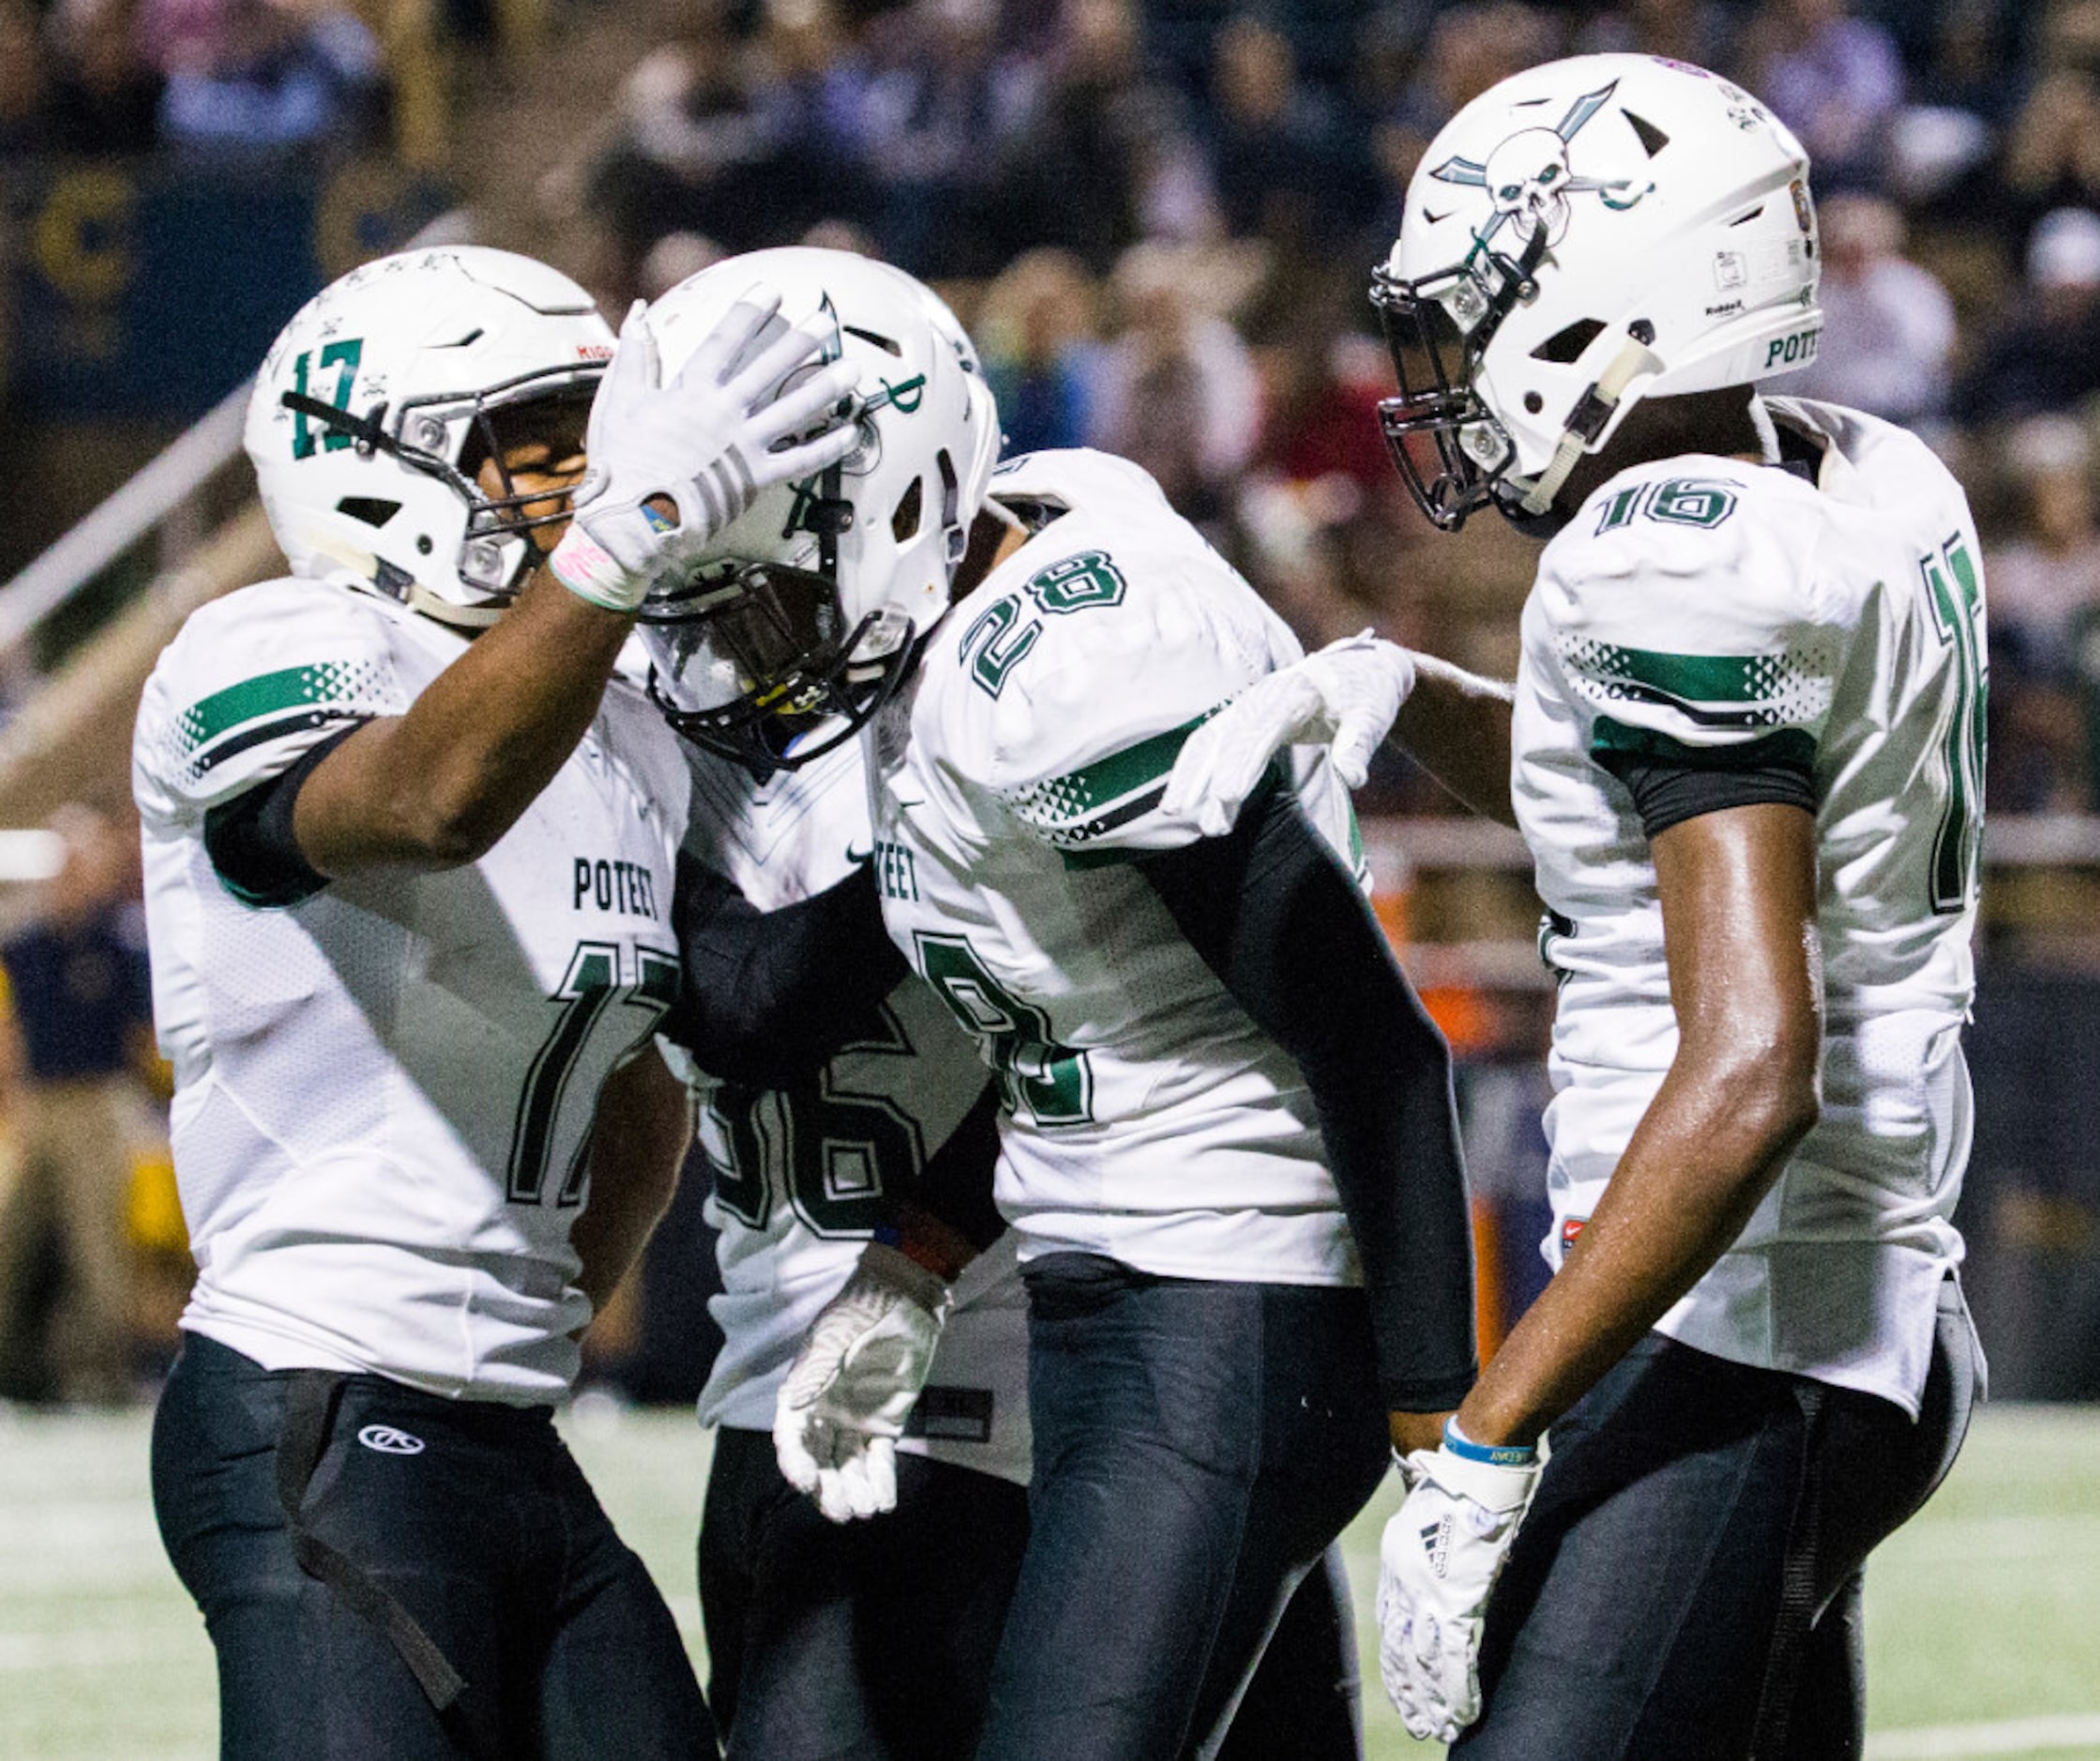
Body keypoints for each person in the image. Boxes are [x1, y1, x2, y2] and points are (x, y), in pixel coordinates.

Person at [1164, 53, 1986, 1758]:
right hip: (1844, 1311)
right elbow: (1664, 797)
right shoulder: (1853, 476)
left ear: (1610, 315)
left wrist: (1485, 1428)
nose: (1446, 379)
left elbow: (1753, 1057)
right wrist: (1408, 691)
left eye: (1475, 323)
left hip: (1738, 1327)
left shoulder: (1663, 558)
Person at [635, 244, 1479, 1761]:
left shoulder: (1066, 665)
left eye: (759, 589)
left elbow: (1372, 1047)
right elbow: (1068, 1037)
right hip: (1107, 1289)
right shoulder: (959, 641)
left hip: (1229, 1294)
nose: (736, 647)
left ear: (895, 501)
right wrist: (909, 1265)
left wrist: (1445, 1442)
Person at [133, 242, 857, 1759]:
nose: (586, 479)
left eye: (598, 441)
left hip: (500, 1419)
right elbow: (424, 800)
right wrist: (630, 533)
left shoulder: (621, 729)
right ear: (374, 460)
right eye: (536, 443)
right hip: (313, 1394)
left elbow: (654, 1071)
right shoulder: (274, 644)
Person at [0, 804, 156, 1404]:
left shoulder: (121, 939)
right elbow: (12, 1029)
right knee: (13, 1238)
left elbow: (145, 1039)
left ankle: (103, 1374)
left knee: (100, 1246)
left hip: (98, 1100)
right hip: (39, 1101)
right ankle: (14, 1368)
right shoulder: (25, 942)